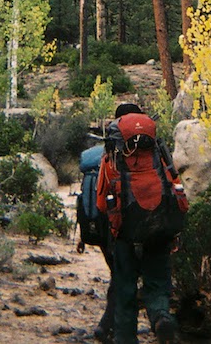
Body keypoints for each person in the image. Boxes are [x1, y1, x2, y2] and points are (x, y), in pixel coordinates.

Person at [96, 105, 185, 344]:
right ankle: (160, 317)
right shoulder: (158, 153)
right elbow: (176, 188)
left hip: (125, 236)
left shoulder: (112, 157)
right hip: (158, 231)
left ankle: (125, 339)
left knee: (125, 291)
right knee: (157, 284)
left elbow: (102, 204)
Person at [88, 102, 143, 343]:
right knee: (124, 280)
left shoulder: (106, 151)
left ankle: (107, 326)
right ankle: (112, 329)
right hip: (124, 229)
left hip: (101, 228)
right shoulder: (142, 153)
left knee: (118, 277)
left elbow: (97, 200)